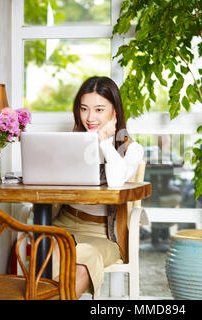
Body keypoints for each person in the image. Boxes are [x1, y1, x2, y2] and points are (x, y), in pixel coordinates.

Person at [52, 76, 144, 299]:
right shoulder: (70, 144)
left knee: (84, 258)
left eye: (99, 110)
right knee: (42, 246)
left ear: (115, 112)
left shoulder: (132, 150)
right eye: (84, 109)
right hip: (63, 224)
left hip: (103, 234)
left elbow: (114, 183)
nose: (90, 117)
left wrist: (105, 141)